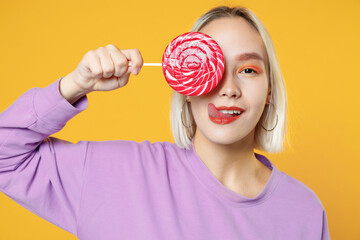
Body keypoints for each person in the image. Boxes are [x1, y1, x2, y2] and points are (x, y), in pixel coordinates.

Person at [0, 5, 330, 240]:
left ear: (269, 91)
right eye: (207, 65)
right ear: (185, 85)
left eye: (248, 70)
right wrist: (75, 84)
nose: (228, 88)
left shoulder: (303, 211)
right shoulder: (113, 174)